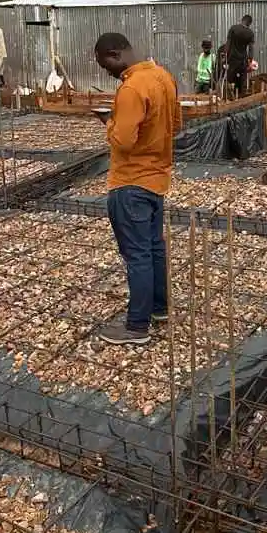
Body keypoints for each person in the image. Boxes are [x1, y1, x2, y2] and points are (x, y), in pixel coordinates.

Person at [93, 32, 181, 345]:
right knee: (154, 248)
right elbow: (175, 125)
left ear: (114, 54)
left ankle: (136, 326)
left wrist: (109, 122)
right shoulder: (163, 77)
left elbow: (124, 141)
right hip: (157, 180)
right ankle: (158, 309)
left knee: (138, 255)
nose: (107, 72)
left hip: (130, 182)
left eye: (106, 65)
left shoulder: (131, 88)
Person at [225, 15, 255, 98]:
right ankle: (241, 99)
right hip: (242, 60)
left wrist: (225, 57)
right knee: (242, 81)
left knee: (230, 79)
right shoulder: (250, 33)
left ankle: (230, 98)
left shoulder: (233, 28)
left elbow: (228, 44)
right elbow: (251, 48)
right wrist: (250, 60)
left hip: (232, 59)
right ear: (249, 23)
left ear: (242, 20)